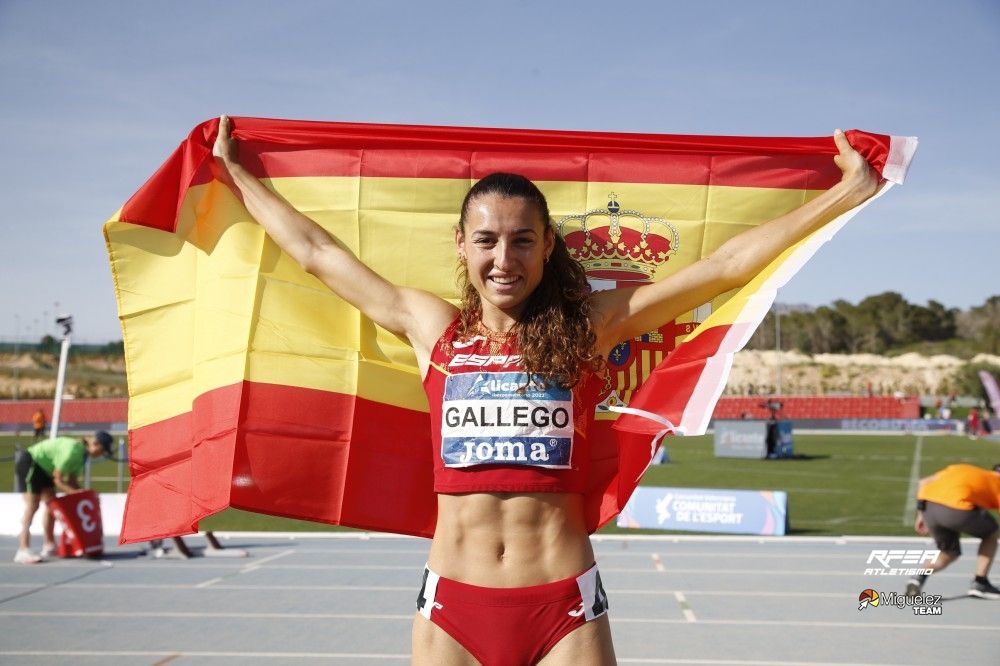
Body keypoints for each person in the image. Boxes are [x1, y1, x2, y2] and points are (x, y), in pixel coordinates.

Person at [213, 116, 876, 664]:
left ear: (547, 244)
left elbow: (725, 265)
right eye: (488, 241)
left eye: (523, 241)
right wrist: (238, 175)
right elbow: (316, 252)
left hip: (564, 608)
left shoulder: (591, 327)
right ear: (462, 246)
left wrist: (844, 194)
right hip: (451, 609)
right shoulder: (430, 327)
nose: (505, 260)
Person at [14, 431, 113, 564]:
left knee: (52, 505)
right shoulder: (73, 450)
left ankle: (49, 545)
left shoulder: (82, 456)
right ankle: (23, 549)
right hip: (32, 462)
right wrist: (76, 494)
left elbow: (72, 482)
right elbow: (59, 480)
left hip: (44, 469)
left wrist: (86, 495)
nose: (103, 454)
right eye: (103, 450)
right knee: (33, 505)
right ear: (95, 444)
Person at [907, 463, 1000, 599]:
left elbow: (923, 482)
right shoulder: (997, 482)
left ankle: (917, 578)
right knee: (992, 533)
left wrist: (921, 515)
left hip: (929, 507)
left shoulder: (961, 468)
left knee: (948, 553)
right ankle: (980, 583)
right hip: (955, 508)